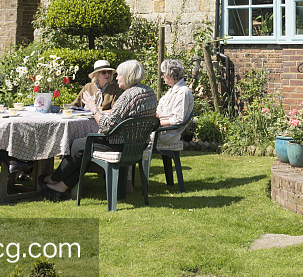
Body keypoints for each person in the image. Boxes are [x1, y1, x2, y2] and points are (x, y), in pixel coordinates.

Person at [42, 59, 156, 200]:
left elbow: (107, 126)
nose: (116, 77)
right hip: (138, 145)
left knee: (78, 145)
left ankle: (53, 178)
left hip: (120, 144)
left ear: (128, 76)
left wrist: (93, 108)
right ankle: (60, 187)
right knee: (86, 149)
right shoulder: (149, 92)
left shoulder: (127, 96)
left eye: (119, 75)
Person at [154, 59, 194, 150]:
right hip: (161, 130)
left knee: (134, 136)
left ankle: (134, 158)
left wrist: (157, 124)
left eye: (163, 73)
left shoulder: (183, 92)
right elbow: (159, 110)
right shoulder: (172, 90)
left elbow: (177, 119)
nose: (162, 76)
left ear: (170, 76)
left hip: (167, 134)